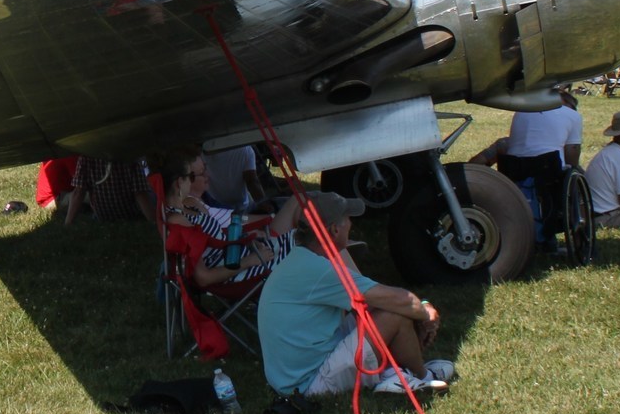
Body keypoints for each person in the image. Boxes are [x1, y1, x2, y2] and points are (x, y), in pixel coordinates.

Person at [257, 191, 455, 399]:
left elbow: (376, 300)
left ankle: (397, 372)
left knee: (387, 309)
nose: (351, 224)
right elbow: (400, 300)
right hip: (307, 384)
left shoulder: (304, 259)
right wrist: (426, 312)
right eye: (348, 219)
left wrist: (418, 311)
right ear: (334, 229)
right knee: (394, 314)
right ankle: (423, 375)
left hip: (294, 375)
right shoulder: (320, 269)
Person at [470, 85, 583, 251]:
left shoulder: (521, 113)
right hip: (548, 171)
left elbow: (475, 163)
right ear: (566, 104)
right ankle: (577, 237)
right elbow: (572, 154)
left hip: (514, 169)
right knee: (575, 177)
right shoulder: (572, 116)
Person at [159, 156, 296, 291]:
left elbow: (217, 237)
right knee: (304, 250)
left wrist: (246, 239)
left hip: (243, 253)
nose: (192, 181)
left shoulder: (191, 207)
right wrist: (250, 260)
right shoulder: (178, 221)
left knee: (302, 238)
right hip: (238, 271)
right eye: (191, 177)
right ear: (179, 183)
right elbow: (203, 277)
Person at [62, 155, 156, 224]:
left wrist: (68, 223)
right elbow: (140, 193)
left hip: (102, 217)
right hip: (131, 215)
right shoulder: (130, 158)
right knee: (153, 189)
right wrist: (153, 221)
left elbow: (78, 192)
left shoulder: (86, 158)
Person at [200, 143, 266, 211]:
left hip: (214, 206)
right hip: (239, 206)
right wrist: (263, 203)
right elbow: (252, 181)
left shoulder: (205, 150)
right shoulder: (246, 149)